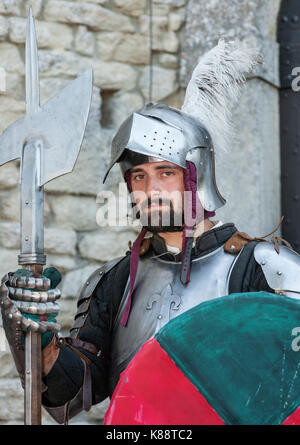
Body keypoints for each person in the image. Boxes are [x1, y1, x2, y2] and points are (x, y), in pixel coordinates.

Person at [1, 40, 299, 425]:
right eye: (138, 176)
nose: (150, 189)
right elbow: (71, 395)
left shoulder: (267, 270)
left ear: (198, 176)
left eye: (166, 172)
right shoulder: (115, 280)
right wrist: (37, 338)